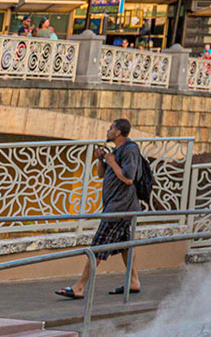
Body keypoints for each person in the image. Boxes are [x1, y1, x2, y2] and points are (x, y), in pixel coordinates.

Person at [57, 118, 145, 299]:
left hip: (121, 207)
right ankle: (134, 281)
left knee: (97, 246)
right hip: (116, 205)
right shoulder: (116, 150)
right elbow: (101, 174)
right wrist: (101, 159)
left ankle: (79, 287)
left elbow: (129, 178)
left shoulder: (130, 150)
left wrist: (112, 162)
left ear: (119, 132)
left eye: (111, 128)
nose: (108, 130)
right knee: (125, 245)